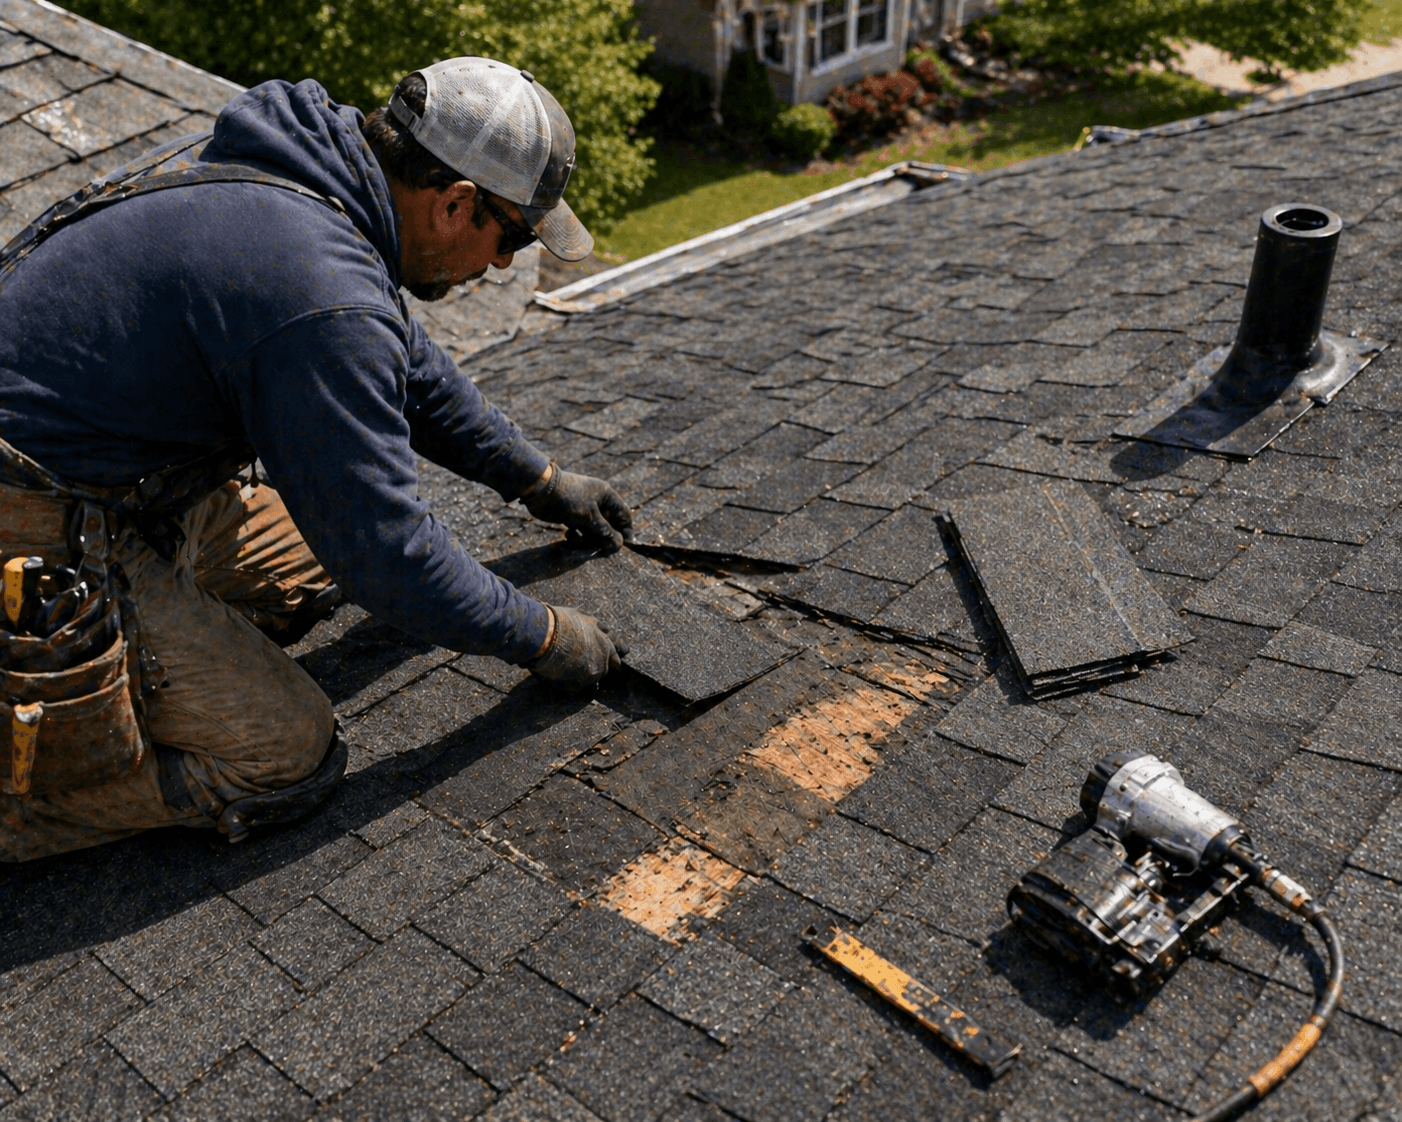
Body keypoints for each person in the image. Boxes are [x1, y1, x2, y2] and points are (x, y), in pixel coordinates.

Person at [0, 57, 632, 861]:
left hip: (108, 476)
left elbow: (409, 364)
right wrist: (543, 636)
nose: (505, 265)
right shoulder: (318, 291)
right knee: (288, 755)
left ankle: (152, 641)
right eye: (508, 237)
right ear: (455, 202)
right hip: (35, 515)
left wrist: (537, 479)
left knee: (306, 565)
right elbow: (388, 554)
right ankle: (23, 801)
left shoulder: (311, 171)